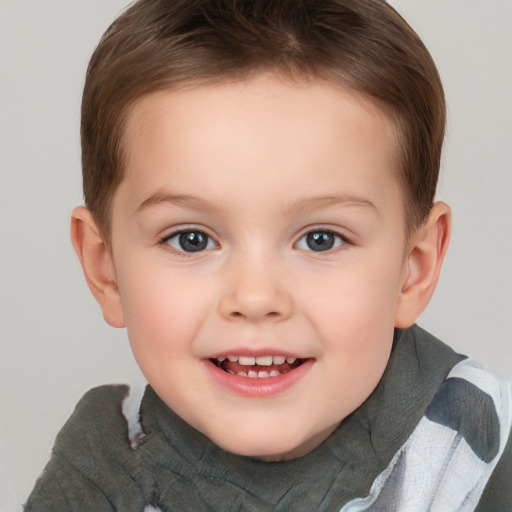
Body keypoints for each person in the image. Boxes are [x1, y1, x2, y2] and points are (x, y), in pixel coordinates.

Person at [25, 0, 511, 510]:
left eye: (321, 238)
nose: (255, 298)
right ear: (107, 270)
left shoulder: (480, 451)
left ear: (415, 267)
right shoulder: (102, 471)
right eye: (191, 239)